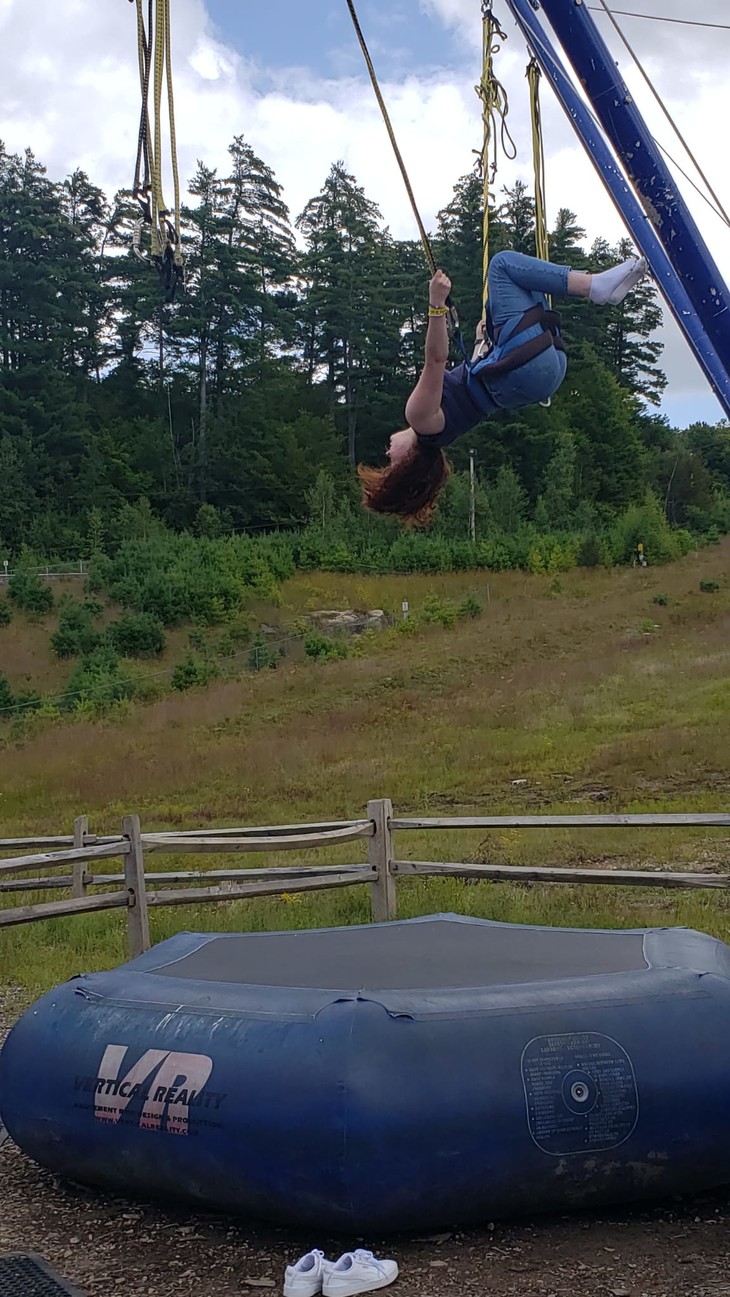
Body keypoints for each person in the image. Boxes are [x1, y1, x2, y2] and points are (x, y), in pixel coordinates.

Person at [358, 249, 648, 525]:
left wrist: (478, 342)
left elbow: (470, 388)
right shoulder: (419, 417)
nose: (388, 453)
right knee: (502, 265)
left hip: (544, 373)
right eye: (391, 463)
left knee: (525, 283)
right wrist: (436, 305)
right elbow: (435, 359)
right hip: (525, 364)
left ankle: (597, 285)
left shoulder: (441, 433)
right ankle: (594, 286)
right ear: (408, 459)